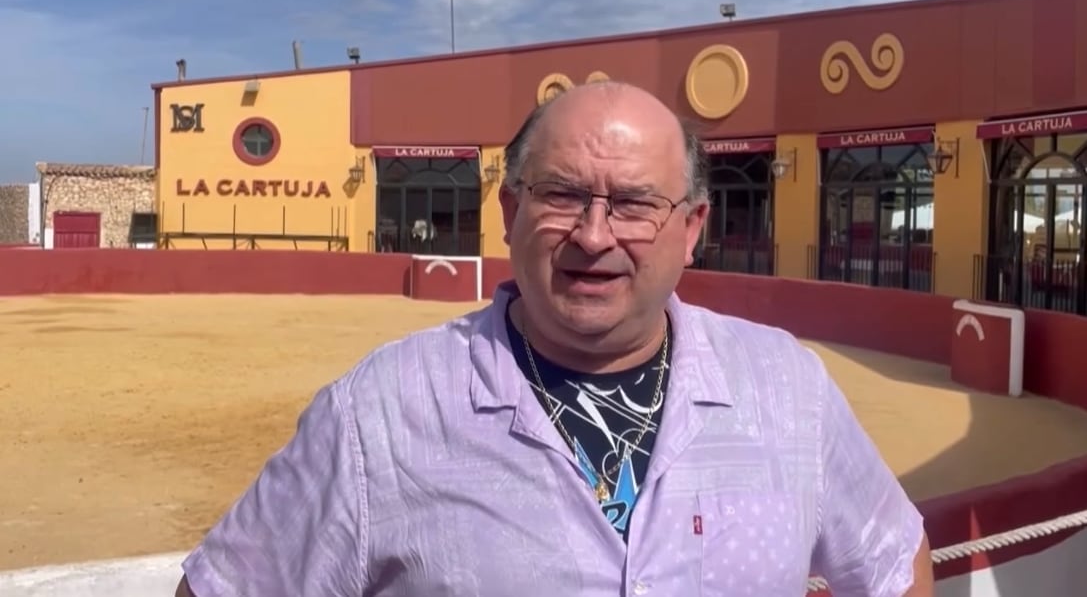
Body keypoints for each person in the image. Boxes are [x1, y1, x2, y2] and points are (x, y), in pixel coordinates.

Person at [175, 81, 934, 596]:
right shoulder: (379, 412)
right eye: (562, 195)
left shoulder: (784, 388)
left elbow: (894, 562)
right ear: (509, 209)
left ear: (691, 228)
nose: (593, 235)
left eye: (634, 203)